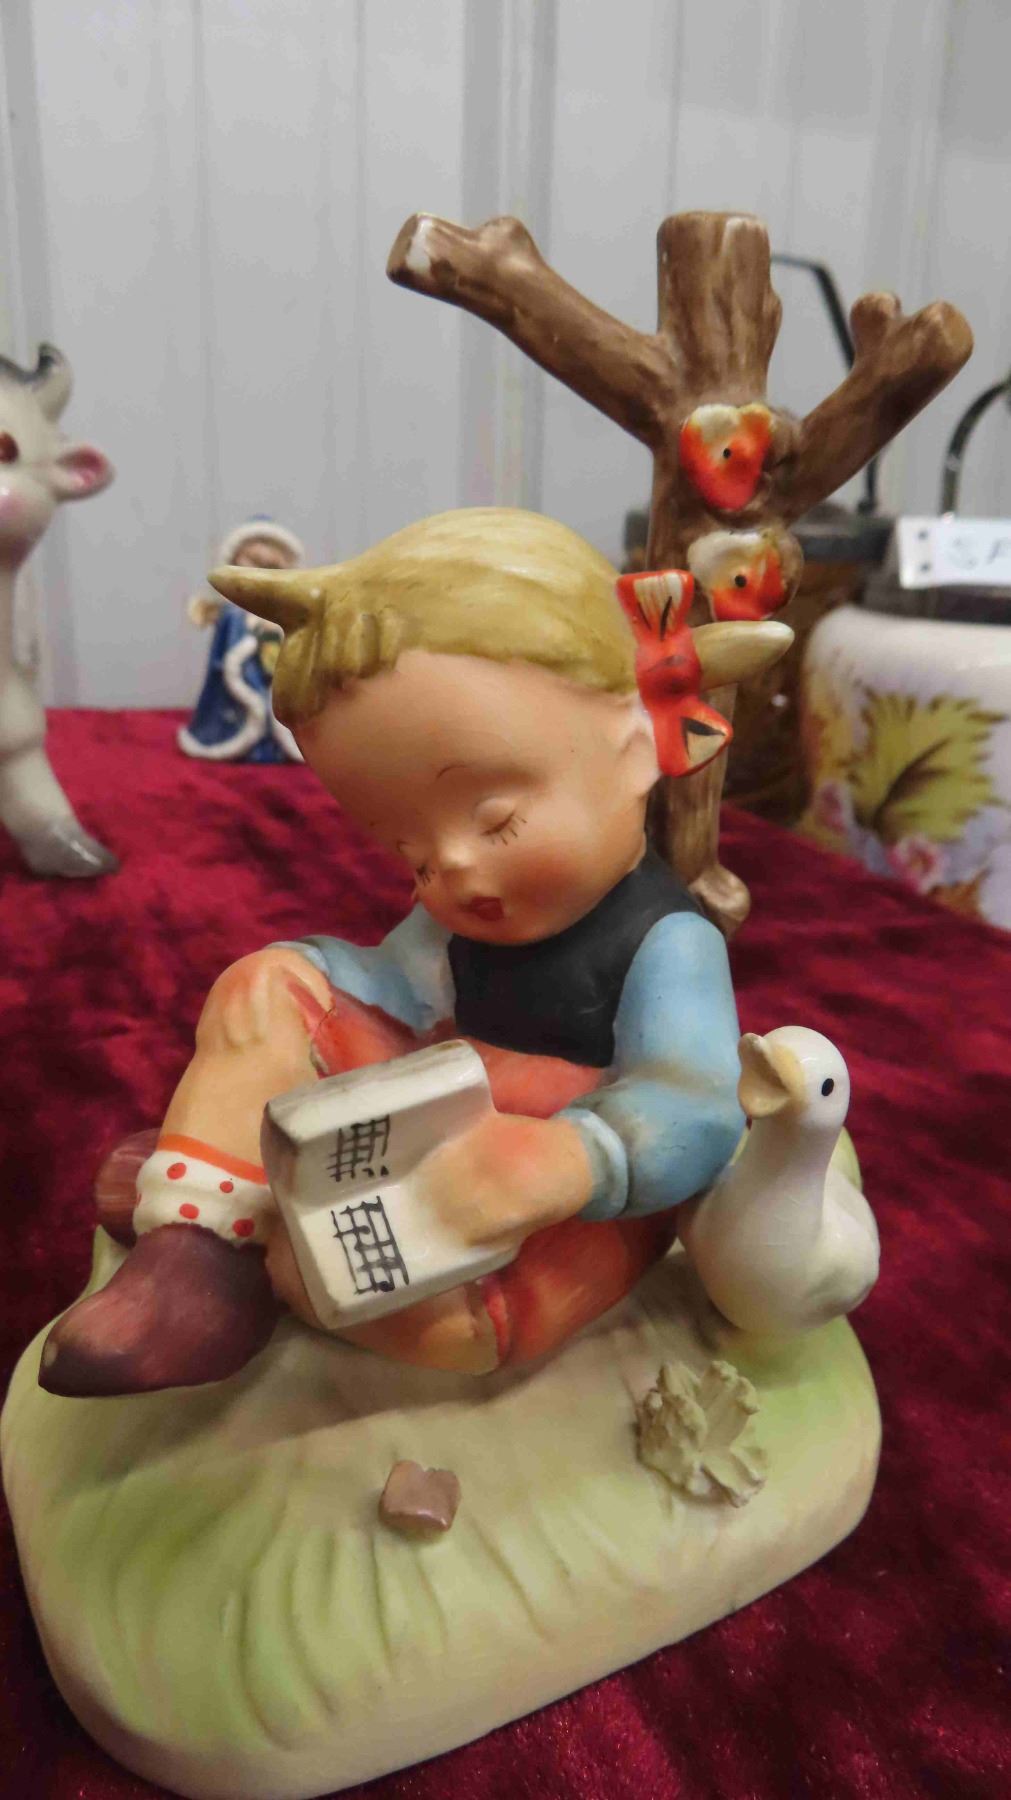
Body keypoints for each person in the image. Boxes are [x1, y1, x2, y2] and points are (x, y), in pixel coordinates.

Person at [41, 508, 748, 1395]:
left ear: (635, 748)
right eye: (408, 852)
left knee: (425, 1319)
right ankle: (199, 1254)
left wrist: (572, 1161)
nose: (451, 866)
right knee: (266, 985)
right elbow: (391, 984)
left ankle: (243, 1200)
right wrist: (295, 980)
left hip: (543, 1208)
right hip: (420, 1129)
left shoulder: (668, 943)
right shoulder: (460, 920)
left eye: (498, 819)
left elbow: (696, 1104)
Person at [178, 517, 305, 763]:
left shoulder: (285, 613)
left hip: (275, 676)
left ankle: (274, 744)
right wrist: (253, 637)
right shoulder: (233, 614)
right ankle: (241, 741)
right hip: (242, 680)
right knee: (246, 709)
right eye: (254, 564)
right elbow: (229, 647)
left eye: (271, 567)